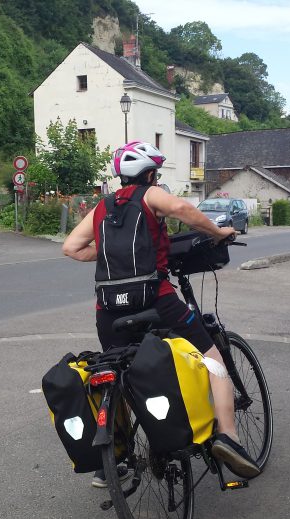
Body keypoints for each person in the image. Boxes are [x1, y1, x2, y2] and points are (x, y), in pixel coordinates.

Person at [62, 141, 261, 487]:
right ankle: (228, 437)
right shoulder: (150, 195)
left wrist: (109, 249)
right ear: (151, 175)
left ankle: (112, 460)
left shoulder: (101, 208)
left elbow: (71, 247)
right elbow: (182, 208)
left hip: (108, 312)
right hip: (155, 301)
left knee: (117, 375)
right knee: (213, 359)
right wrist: (218, 232)